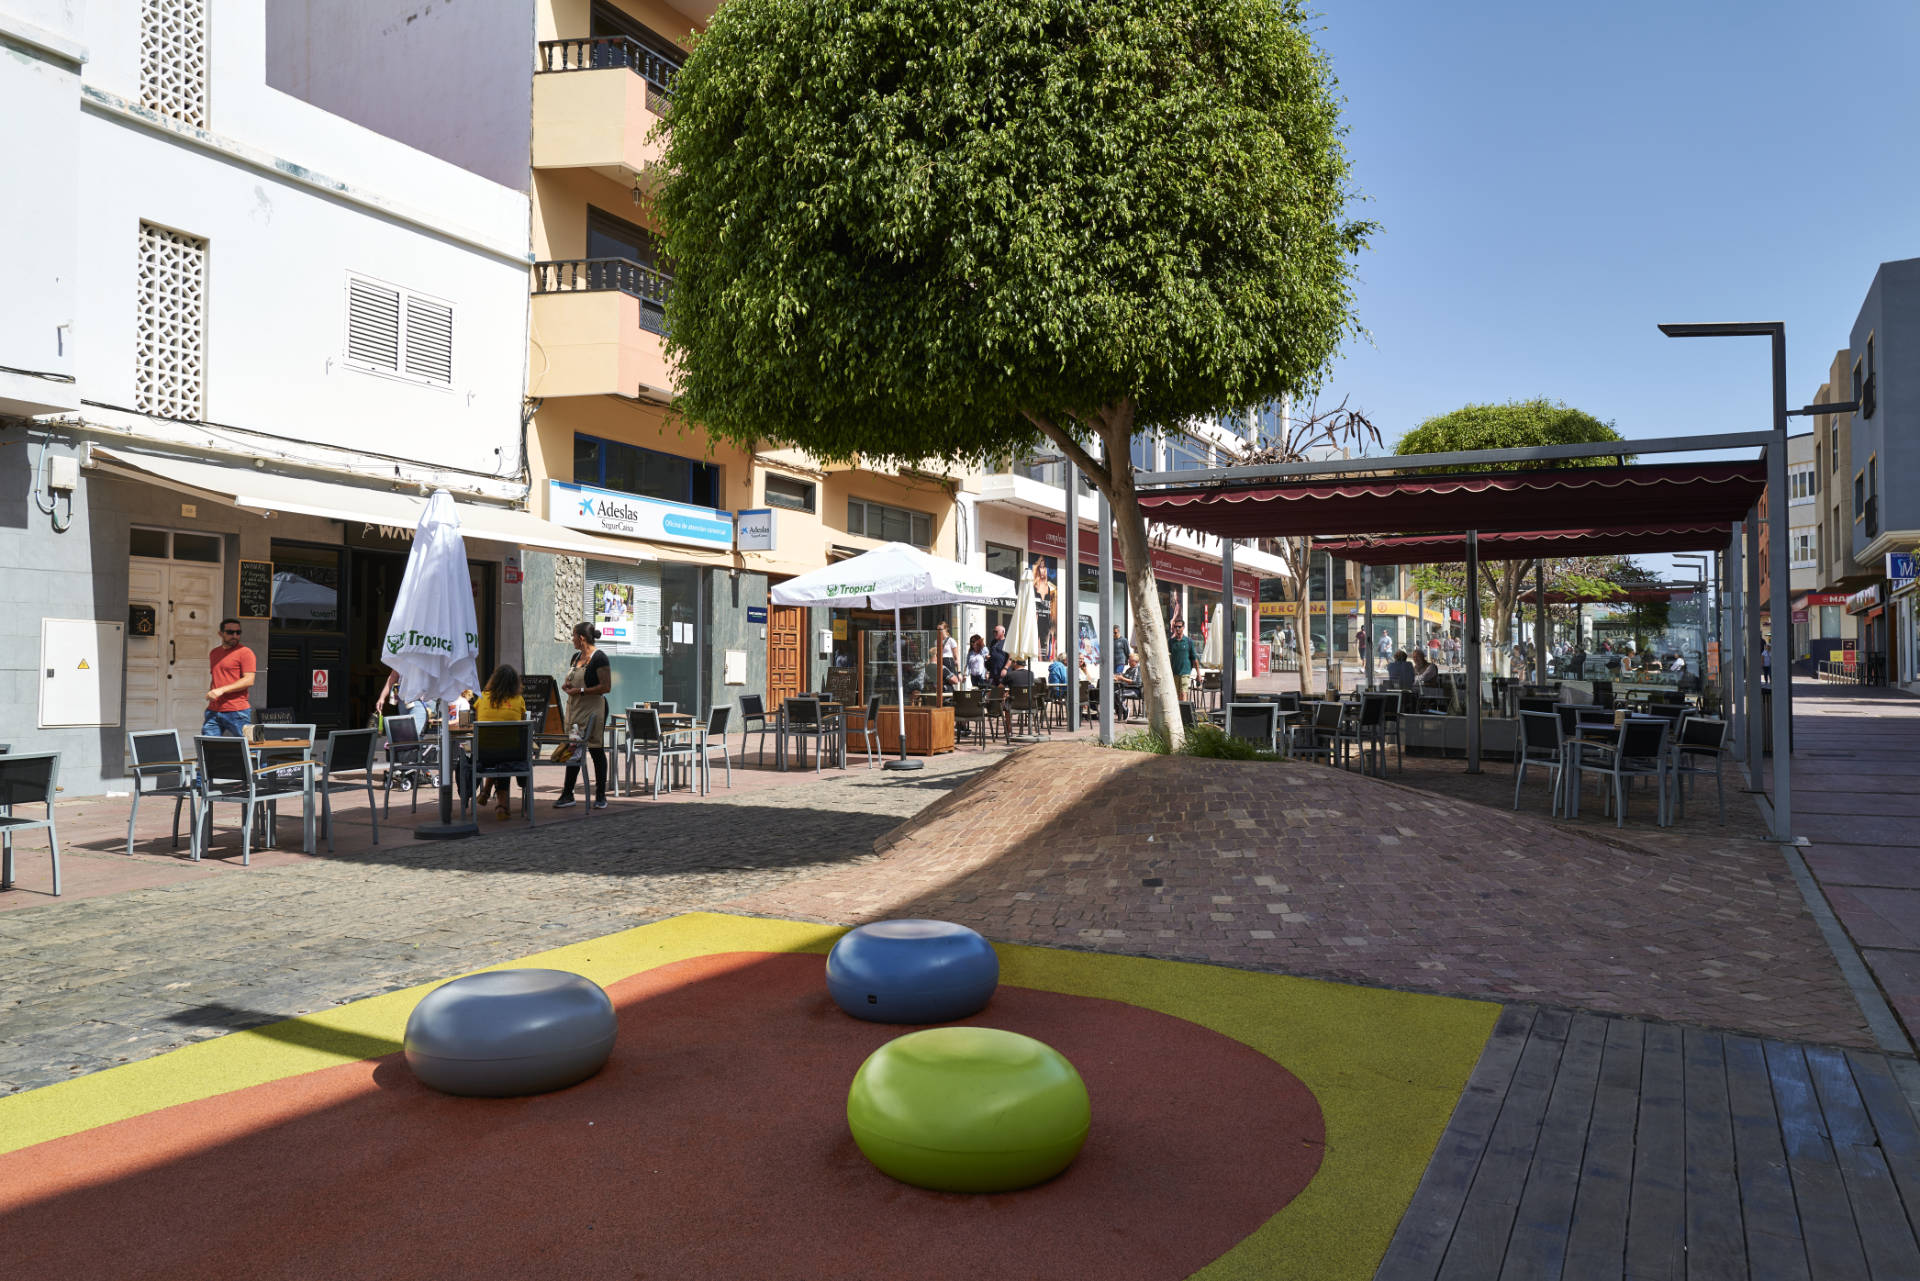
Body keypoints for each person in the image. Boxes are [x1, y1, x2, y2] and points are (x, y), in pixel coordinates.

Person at [556, 622, 611, 810]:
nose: (571, 639)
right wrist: (567, 687)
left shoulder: (599, 658)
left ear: (581, 638)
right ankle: (567, 793)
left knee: (596, 750)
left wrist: (580, 691)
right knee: (573, 750)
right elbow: (572, 681)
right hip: (576, 711)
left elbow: (606, 687)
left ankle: (601, 795)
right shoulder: (576, 657)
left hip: (594, 711)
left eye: (573, 636)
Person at [472, 664, 526, 819]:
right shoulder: (519, 700)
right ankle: (501, 805)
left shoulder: (482, 698)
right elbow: (522, 726)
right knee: (504, 752)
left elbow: (478, 723)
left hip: (484, 754)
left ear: (493, 681)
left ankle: (487, 792)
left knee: (496, 749)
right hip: (511, 753)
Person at [204, 618, 256, 737]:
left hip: (237, 710)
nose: (235, 635)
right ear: (220, 633)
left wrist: (221, 690)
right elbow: (217, 677)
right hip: (214, 710)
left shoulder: (245, 652)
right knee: (207, 746)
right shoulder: (214, 653)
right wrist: (212, 691)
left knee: (249, 748)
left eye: (238, 633)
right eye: (230, 632)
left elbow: (249, 680)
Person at [1166, 616, 1199, 701]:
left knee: (1183, 692)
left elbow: (1194, 658)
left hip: (1185, 672)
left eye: (1179, 627)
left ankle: (1183, 713)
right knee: (1176, 694)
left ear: (1183, 628)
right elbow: (1167, 657)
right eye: (1175, 627)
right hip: (1174, 672)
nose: (1177, 628)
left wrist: (1198, 674)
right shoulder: (1171, 641)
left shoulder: (1188, 641)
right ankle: (1179, 712)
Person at [936, 620, 961, 693]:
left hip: (948, 662)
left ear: (945, 629)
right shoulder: (937, 641)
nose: (939, 631)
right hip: (940, 662)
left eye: (940, 629)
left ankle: (951, 696)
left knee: (950, 681)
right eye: (937, 630)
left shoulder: (951, 640)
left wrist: (959, 672)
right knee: (942, 681)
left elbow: (956, 657)